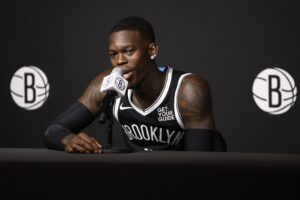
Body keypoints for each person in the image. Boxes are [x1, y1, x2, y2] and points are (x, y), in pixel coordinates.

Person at [44, 16, 225, 153]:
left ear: (152, 51)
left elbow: (200, 164)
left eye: (129, 51)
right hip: (137, 181)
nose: (120, 61)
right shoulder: (108, 84)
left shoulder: (187, 90)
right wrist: (69, 140)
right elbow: (54, 131)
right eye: (113, 54)